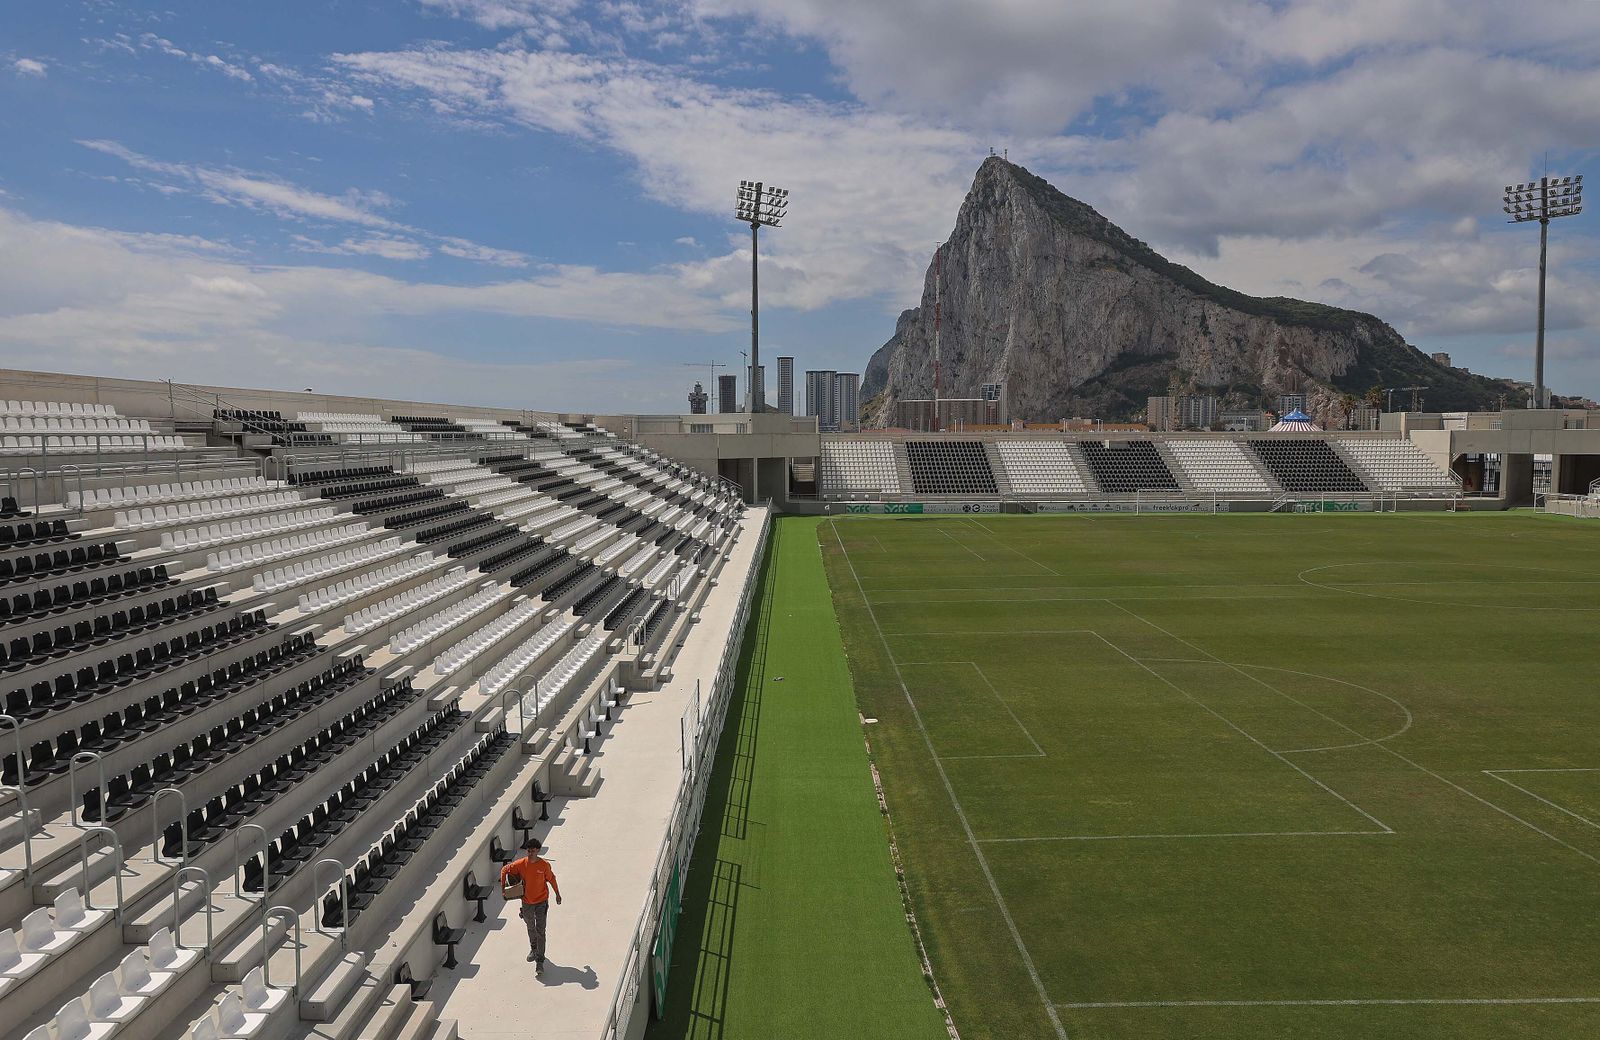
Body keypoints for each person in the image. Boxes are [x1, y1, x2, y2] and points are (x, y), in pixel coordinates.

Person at [500, 837, 561, 974]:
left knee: (541, 930)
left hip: (541, 902)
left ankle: (540, 961)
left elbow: (551, 879)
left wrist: (557, 893)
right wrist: (503, 889)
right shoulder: (521, 864)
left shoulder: (544, 865)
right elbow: (505, 869)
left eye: (533, 851)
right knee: (530, 927)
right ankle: (534, 949)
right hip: (527, 902)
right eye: (528, 851)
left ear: (538, 851)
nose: (530, 853)